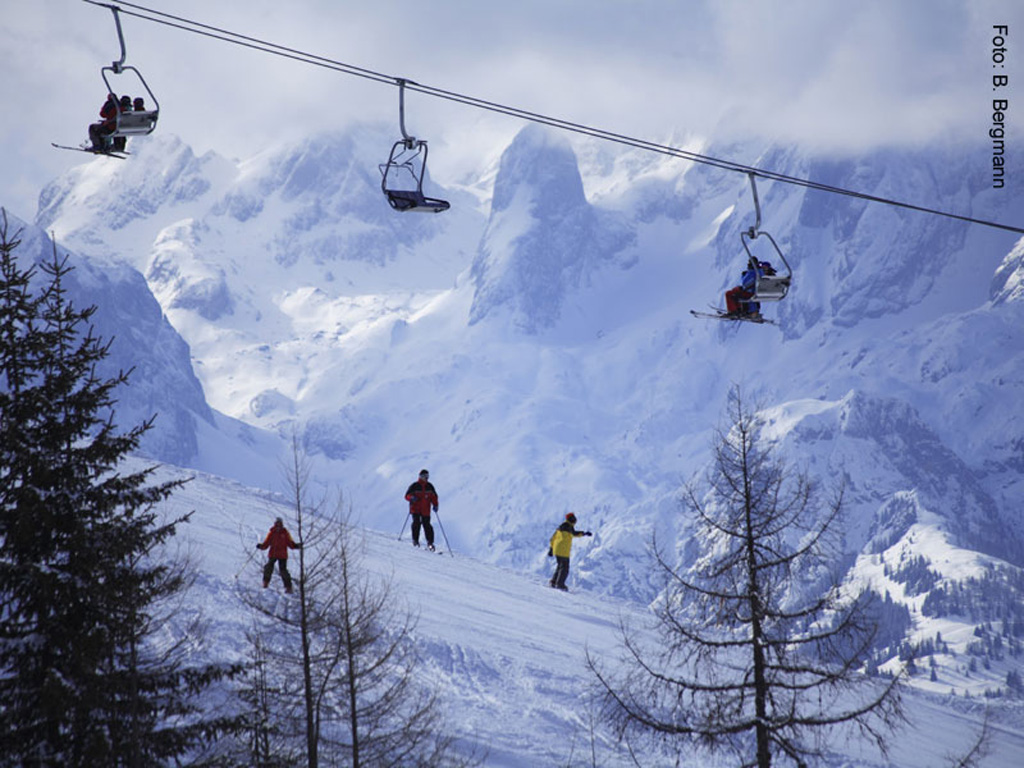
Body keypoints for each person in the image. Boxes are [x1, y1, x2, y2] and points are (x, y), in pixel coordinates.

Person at [548, 513, 592, 591]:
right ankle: (560, 584)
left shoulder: (561, 527)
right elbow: (574, 534)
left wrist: (551, 549)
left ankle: (553, 582)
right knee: (565, 568)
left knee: (560, 566)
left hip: (557, 549)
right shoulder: (568, 527)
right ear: (572, 520)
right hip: (563, 550)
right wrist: (584, 533)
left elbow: (553, 538)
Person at [257, 517, 301, 593]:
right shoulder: (272, 533)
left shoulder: (285, 533)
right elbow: (266, 543)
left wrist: (296, 546)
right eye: (277, 524)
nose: (278, 525)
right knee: (268, 567)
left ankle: (288, 587)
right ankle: (265, 583)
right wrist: (261, 546)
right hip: (273, 554)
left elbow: (290, 543)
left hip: (282, 555)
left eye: (279, 524)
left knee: (283, 570)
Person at [405, 469, 439, 551]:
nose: (426, 478)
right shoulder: (414, 486)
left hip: (425, 510)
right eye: (424, 476)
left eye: (427, 476)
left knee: (427, 525)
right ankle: (415, 541)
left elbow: (434, 497)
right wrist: (412, 498)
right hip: (415, 509)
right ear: (420, 477)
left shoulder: (430, 486)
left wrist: (435, 505)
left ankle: (430, 543)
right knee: (416, 524)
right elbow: (407, 496)